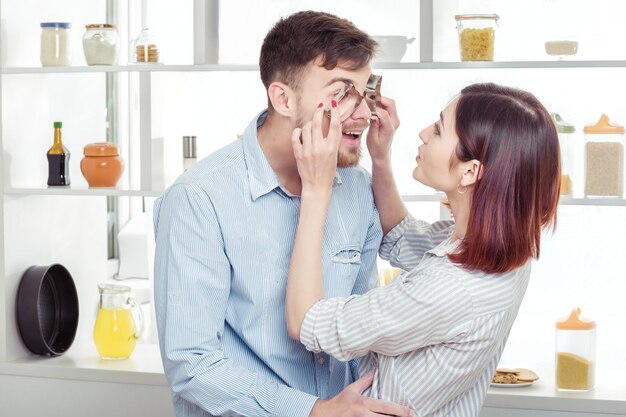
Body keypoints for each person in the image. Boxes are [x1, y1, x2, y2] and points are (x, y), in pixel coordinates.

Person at [153, 10, 412, 417]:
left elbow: (359, 330)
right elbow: (192, 364)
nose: (363, 114)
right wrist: (312, 411)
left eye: (367, 93)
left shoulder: (358, 189)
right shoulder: (198, 198)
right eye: (343, 92)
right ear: (283, 98)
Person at [285, 83, 560, 417]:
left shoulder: (449, 287)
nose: (423, 133)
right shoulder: (501, 251)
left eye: (440, 130)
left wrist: (316, 187)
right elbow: (401, 236)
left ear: (470, 171)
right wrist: (381, 158)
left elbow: (306, 322)